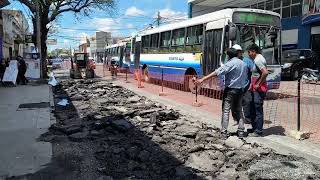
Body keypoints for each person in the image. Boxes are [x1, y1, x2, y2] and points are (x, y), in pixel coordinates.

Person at [196, 48, 248, 139]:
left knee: (226, 111)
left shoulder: (230, 63)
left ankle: (224, 132)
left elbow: (217, 72)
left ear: (228, 56)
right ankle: (241, 132)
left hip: (230, 90)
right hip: (240, 90)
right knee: (239, 110)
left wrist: (203, 79)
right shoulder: (243, 64)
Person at [246, 44, 269, 137]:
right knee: (253, 108)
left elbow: (265, 72)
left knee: (257, 109)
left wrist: (258, 84)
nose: (248, 54)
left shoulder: (258, 60)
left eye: (249, 52)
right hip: (256, 88)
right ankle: (255, 128)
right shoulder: (258, 58)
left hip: (259, 89)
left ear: (254, 51)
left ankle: (258, 131)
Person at [232, 44, 254, 125]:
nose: (238, 53)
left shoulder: (247, 61)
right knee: (234, 104)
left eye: (239, 52)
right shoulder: (231, 61)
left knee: (247, 103)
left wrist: (251, 84)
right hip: (235, 87)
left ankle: (248, 120)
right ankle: (236, 119)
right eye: (236, 52)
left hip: (245, 87)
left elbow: (253, 73)